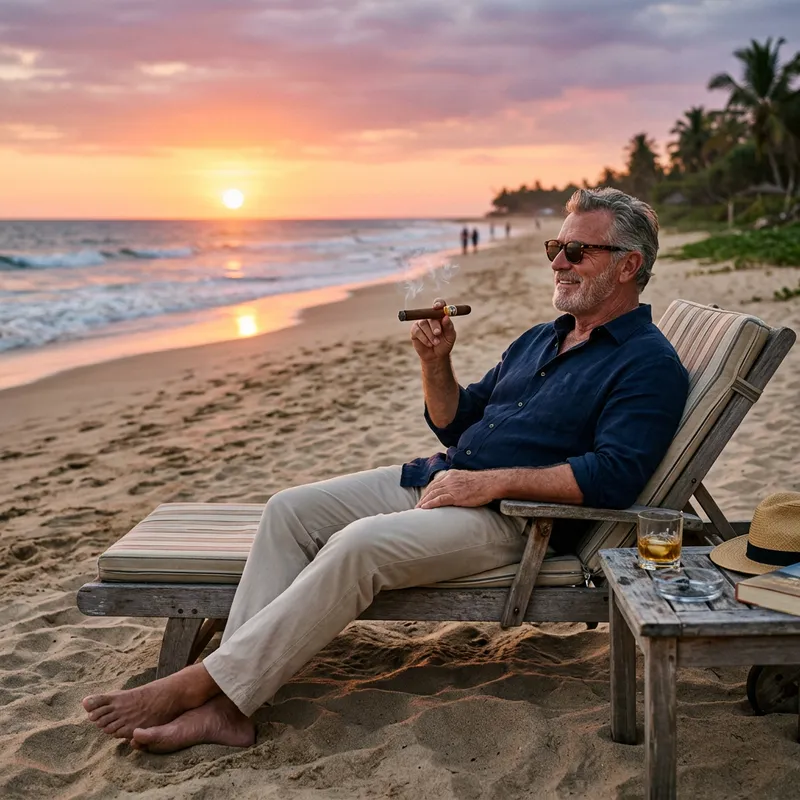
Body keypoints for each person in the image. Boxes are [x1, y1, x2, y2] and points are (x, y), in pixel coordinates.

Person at [82, 187, 689, 753]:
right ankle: (228, 702)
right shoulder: (541, 338)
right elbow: (456, 421)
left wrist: (491, 483)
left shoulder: (647, 364)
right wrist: (435, 363)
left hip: (516, 520)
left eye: (575, 250)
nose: (558, 261)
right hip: (445, 477)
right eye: (555, 247)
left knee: (356, 546)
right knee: (289, 510)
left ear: (627, 265)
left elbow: (615, 476)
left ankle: (205, 689)